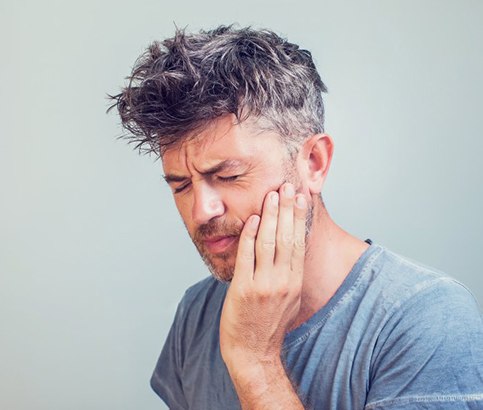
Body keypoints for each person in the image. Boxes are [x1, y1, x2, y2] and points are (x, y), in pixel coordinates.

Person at [109, 25, 483, 409]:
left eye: (228, 176)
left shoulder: (427, 318)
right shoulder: (197, 310)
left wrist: (255, 360)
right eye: (180, 186)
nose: (202, 210)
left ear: (313, 163)